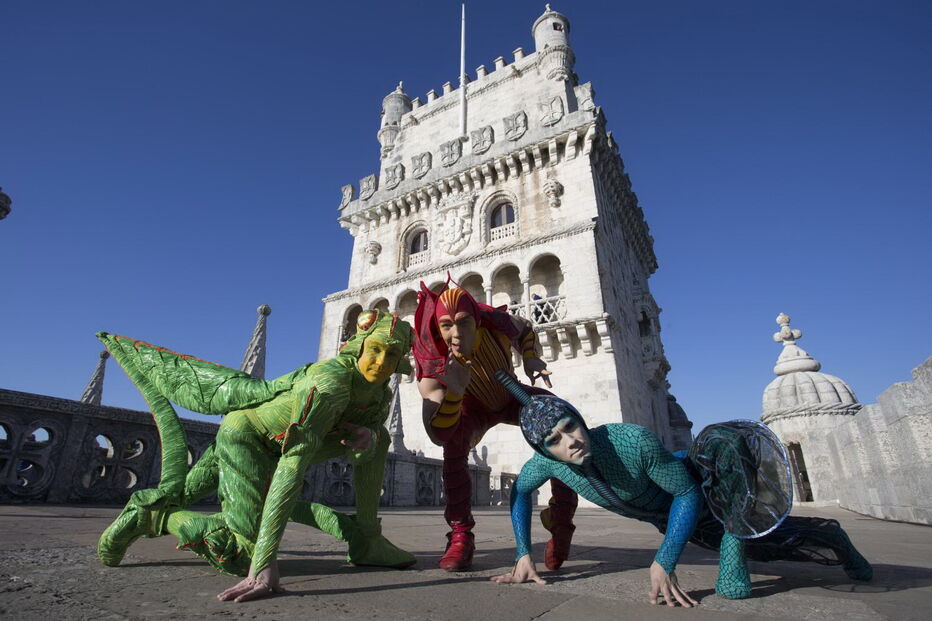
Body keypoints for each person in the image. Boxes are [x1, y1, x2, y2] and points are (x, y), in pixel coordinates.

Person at [96, 310, 416, 603]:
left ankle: (367, 540)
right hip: (245, 439)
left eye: (392, 354)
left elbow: (364, 458)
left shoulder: (379, 395)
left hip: (270, 445)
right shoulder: (330, 383)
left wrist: (367, 439)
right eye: (375, 349)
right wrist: (264, 561)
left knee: (379, 436)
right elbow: (293, 466)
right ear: (359, 346)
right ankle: (151, 516)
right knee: (239, 553)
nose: (381, 362)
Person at [490, 375, 873, 605]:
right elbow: (521, 493)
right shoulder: (544, 464)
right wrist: (524, 553)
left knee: (738, 576)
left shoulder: (632, 442)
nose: (570, 441)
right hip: (665, 514)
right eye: (554, 440)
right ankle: (829, 537)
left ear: (579, 418)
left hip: (707, 494)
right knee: (772, 546)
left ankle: (825, 539)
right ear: (543, 450)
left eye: (570, 425)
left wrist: (665, 559)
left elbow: (687, 494)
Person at [414, 280, 577, 571]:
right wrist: (454, 392)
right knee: (454, 447)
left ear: (477, 321)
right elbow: (438, 431)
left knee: (561, 421)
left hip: (511, 394)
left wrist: (530, 357)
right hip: (472, 408)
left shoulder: (495, 322)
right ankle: (460, 533)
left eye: (463, 323)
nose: (455, 334)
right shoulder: (432, 357)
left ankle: (561, 518)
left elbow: (525, 327)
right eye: (447, 325)